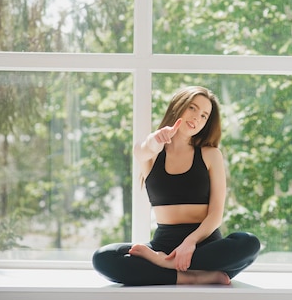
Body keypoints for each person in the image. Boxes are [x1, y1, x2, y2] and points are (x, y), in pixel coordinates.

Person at [92, 86, 260, 286]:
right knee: (104, 257)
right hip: (164, 244)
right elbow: (143, 150)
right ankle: (191, 275)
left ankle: (164, 264)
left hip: (205, 247)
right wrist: (156, 140)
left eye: (204, 115)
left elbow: (216, 214)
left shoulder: (210, 154)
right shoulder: (151, 152)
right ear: (177, 107)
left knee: (249, 243)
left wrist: (189, 243)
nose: (197, 117)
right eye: (192, 108)